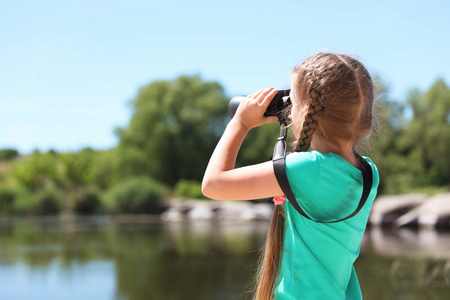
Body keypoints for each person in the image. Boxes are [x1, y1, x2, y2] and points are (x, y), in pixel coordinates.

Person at [202, 52, 380, 300]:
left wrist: (240, 124)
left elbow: (213, 184)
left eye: (291, 102)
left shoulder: (308, 170)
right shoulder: (368, 173)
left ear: (306, 111)